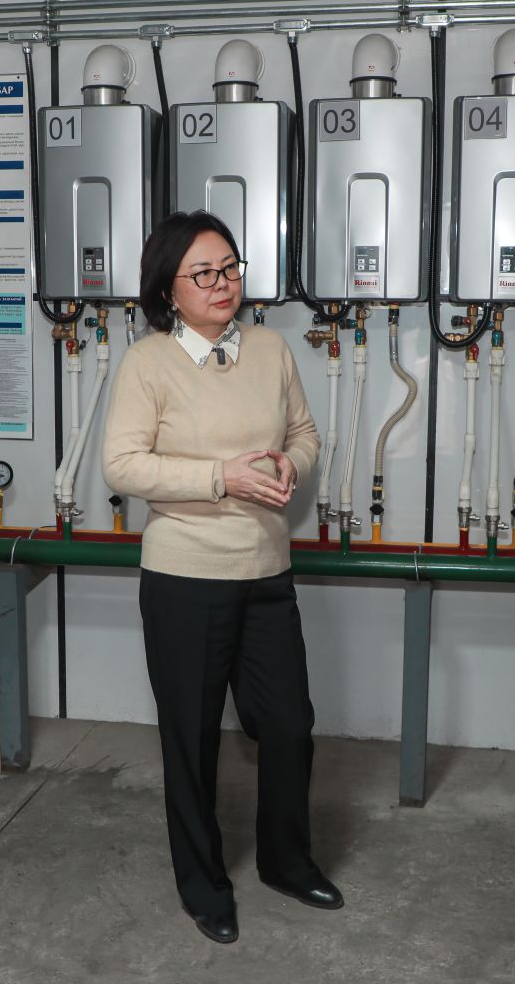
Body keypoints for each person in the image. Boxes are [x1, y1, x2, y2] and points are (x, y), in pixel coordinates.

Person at [101, 210, 339, 945]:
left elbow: (304, 433)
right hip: (185, 575)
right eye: (202, 273)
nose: (222, 283)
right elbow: (122, 465)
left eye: (230, 268)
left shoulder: (270, 349)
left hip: (266, 568)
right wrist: (220, 477)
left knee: (289, 724)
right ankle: (204, 885)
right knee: (192, 737)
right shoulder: (148, 364)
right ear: (167, 290)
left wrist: (290, 465)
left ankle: (286, 862)